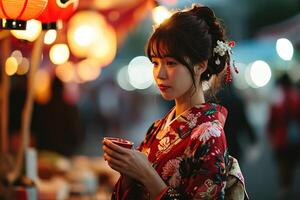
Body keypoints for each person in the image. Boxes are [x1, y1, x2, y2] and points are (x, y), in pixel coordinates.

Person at [103, 4, 247, 200]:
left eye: (171, 63)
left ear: (200, 65)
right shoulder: (157, 128)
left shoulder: (210, 134)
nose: (159, 74)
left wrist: (145, 173)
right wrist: (128, 171)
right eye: (155, 62)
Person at [267, 73, 300, 200]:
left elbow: (271, 121)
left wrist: (271, 137)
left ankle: (284, 187)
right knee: (291, 164)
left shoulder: (276, 98)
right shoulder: (297, 96)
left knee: (282, 164)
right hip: (295, 138)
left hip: (280, 138)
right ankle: (289, 186)